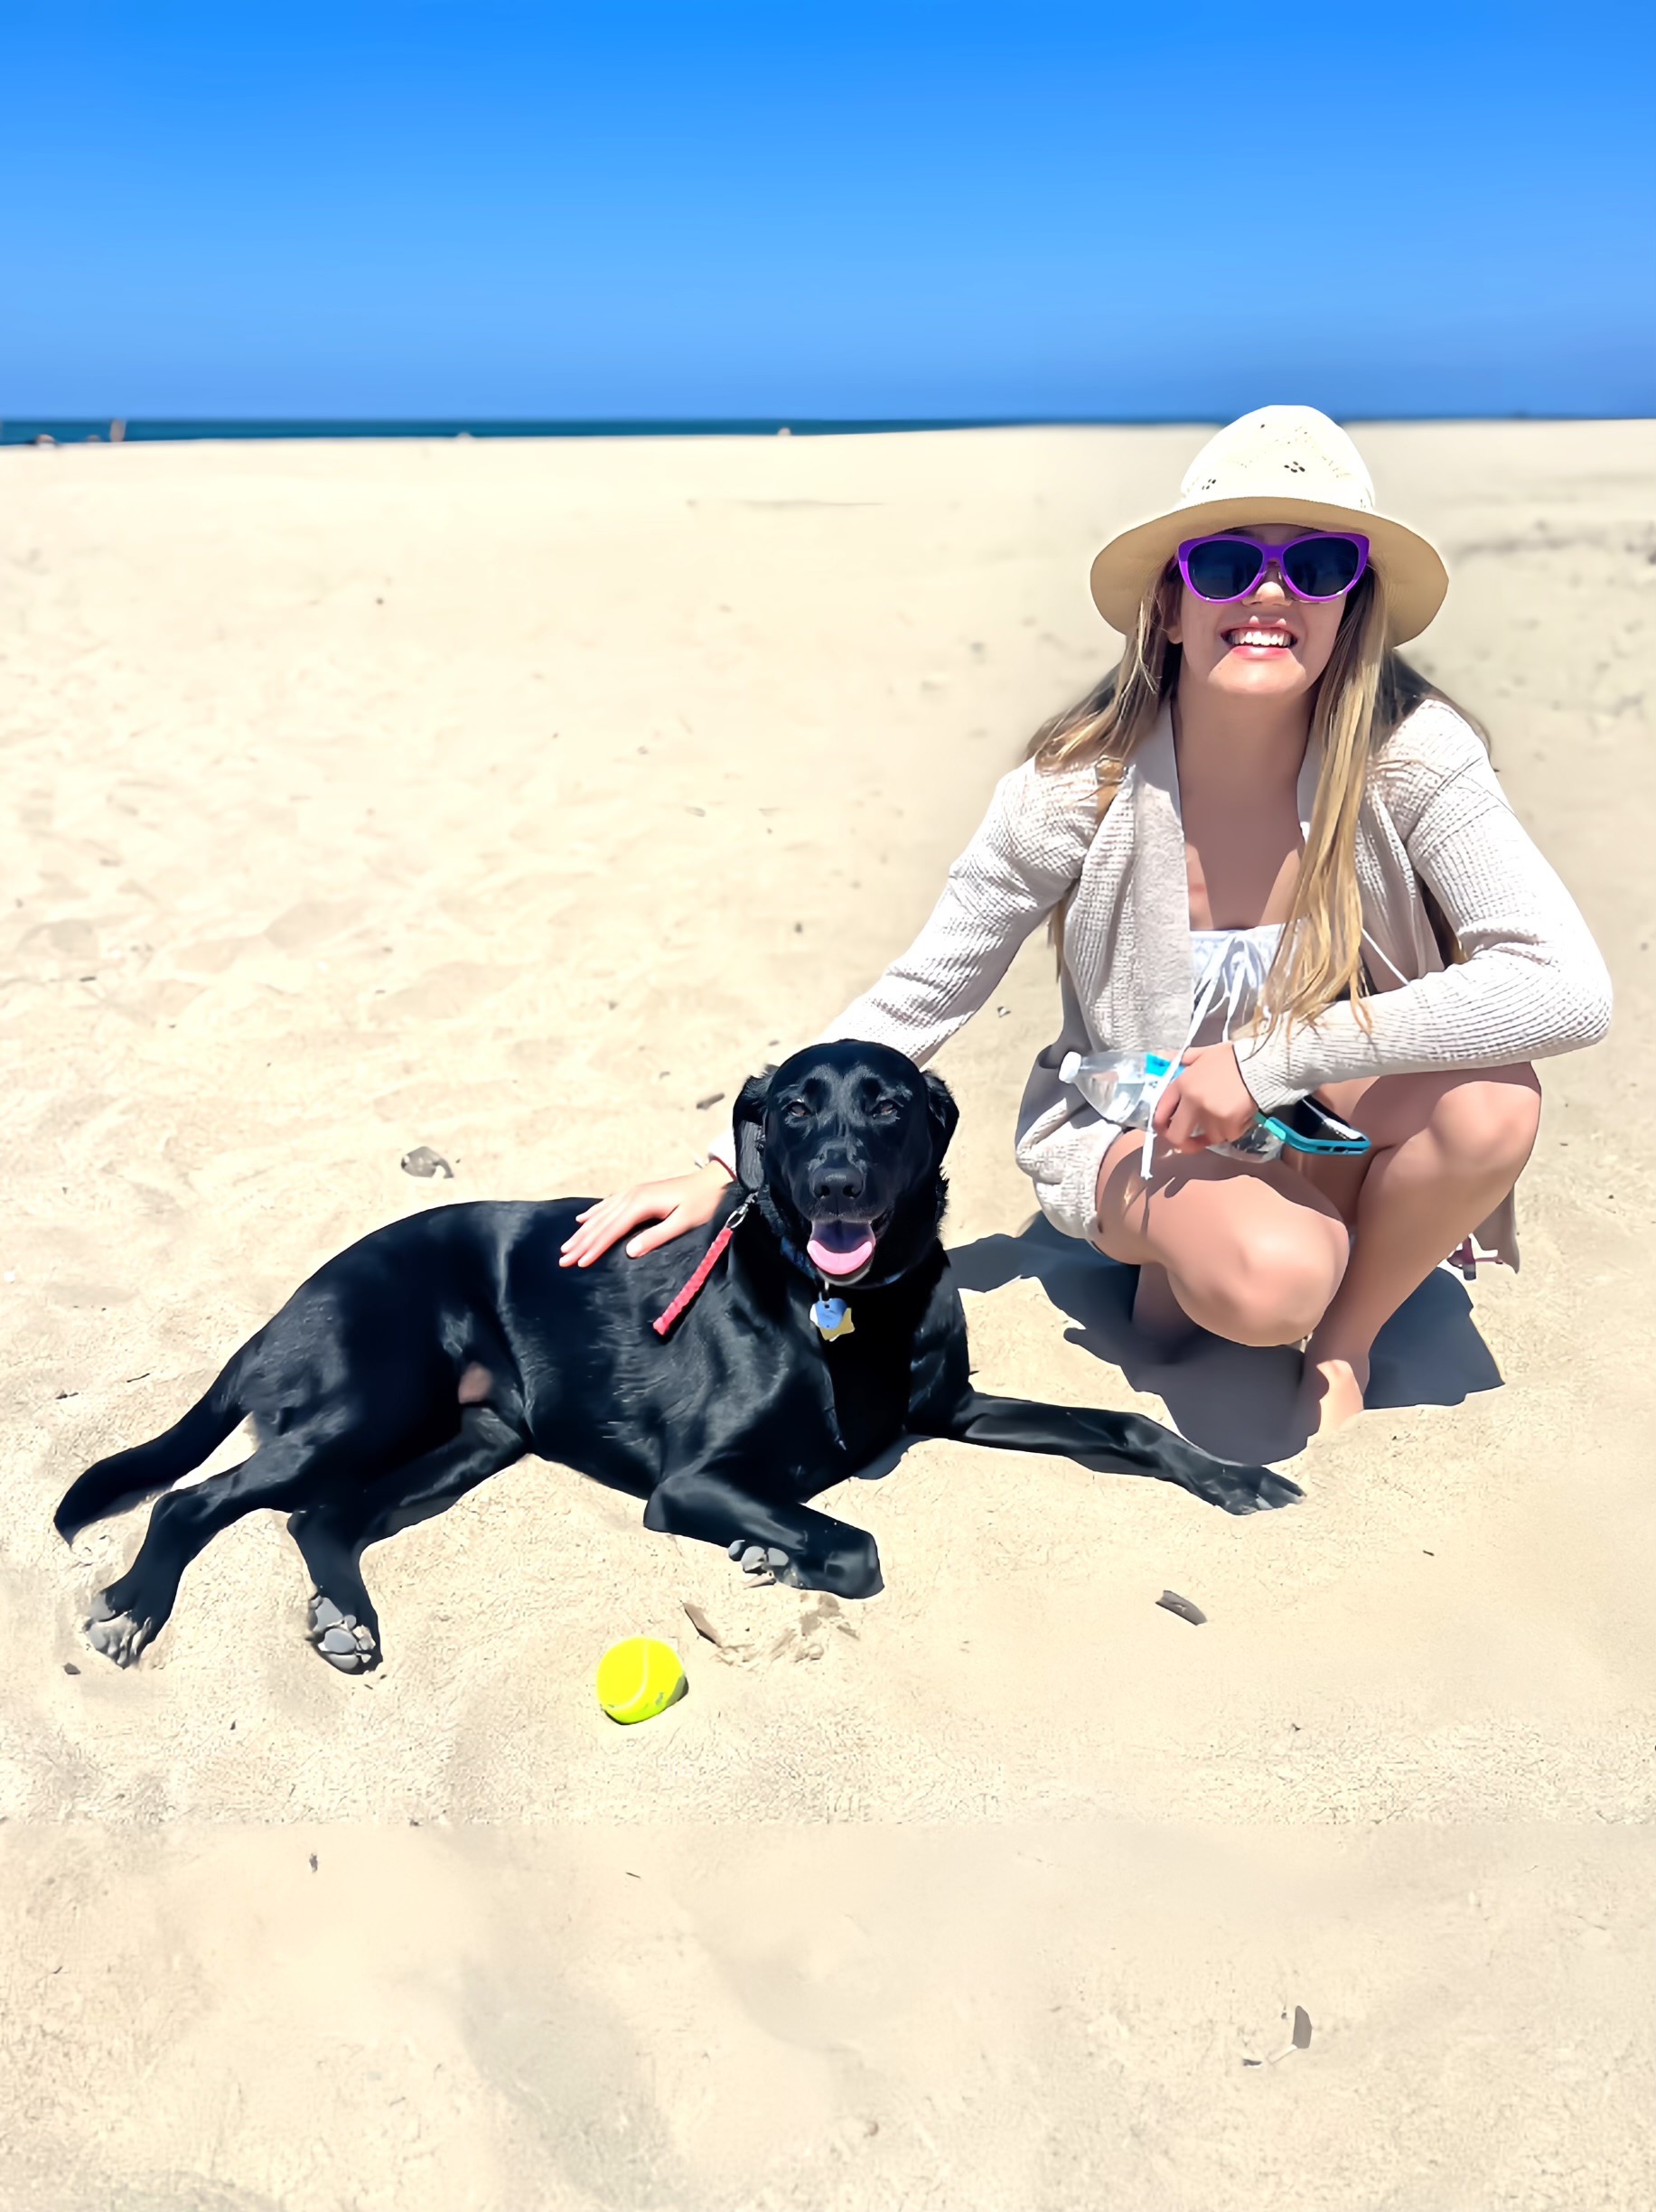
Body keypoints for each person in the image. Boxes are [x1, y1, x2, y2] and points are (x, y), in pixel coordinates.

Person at [560, 407, 1612, 1438]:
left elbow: (1567, 986)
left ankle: (1347, 1338)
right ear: (1170, 605)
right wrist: (728, 1162)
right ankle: (1207, 1252)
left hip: (1320, 1108)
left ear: (1354, 606)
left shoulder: (1412, 756)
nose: (1270, 592)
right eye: (1225, 564)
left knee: (1492, 1109)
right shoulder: (1077, 788)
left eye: (1319, 565)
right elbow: (927, 991)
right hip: (1142, 1120)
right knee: (1273, 1279)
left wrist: (1268, 1061)